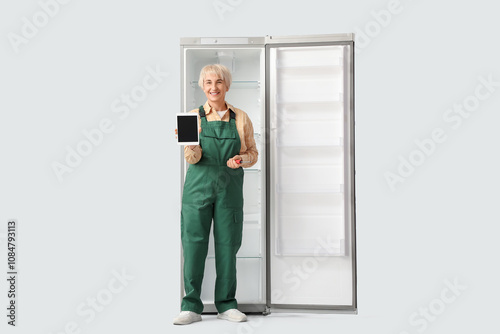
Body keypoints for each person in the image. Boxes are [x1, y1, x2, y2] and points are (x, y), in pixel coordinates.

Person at [174, 64, 258, 325]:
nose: (213, 87)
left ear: (227, 85)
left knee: (227, 247)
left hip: (229, 190)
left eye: (219, 82)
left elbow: (253, 153)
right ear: (202, 86)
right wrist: (191, 145)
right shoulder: (192, 118)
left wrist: (241, 159)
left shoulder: (241, 117)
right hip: (198, 189)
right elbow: (193, 158)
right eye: (208, 82)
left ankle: (226, 304)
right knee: (193, 245)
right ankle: (190, 306)